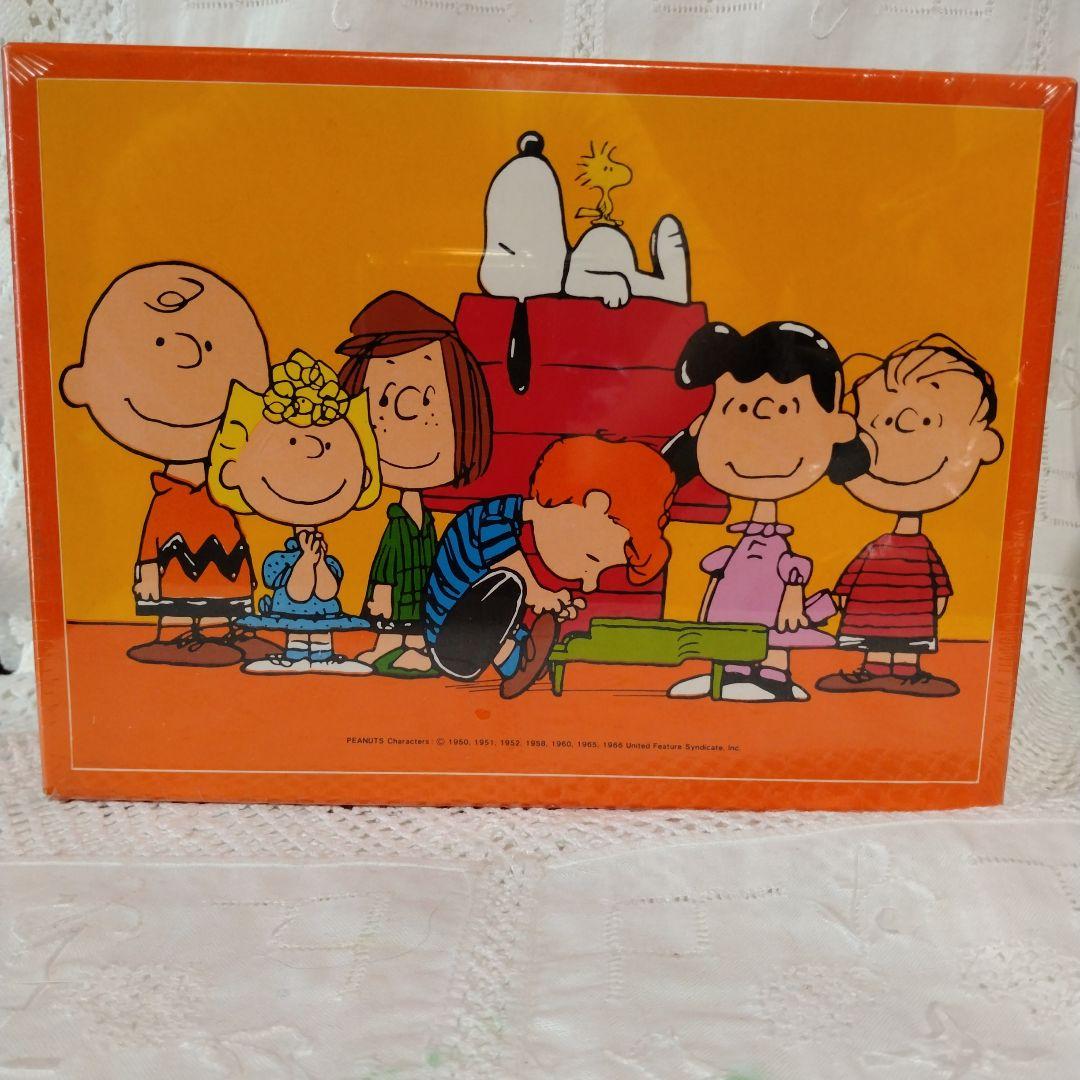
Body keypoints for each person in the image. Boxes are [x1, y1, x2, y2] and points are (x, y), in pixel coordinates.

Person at [60, 261, 275, 666]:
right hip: (175, 561)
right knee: (180, 584)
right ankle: (176, 635)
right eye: (159, 342)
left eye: (208, 346)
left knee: (223, 577)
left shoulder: (224, 484)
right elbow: (152, 538)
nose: (187, 356)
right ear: (81, 385)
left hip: (223, 551)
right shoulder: (169, 498)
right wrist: (146, 571)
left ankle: (221, 631)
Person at [668, 320, 870, 702]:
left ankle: (775, 679)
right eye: (738, 408)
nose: (759, 426)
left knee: (773, 628)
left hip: (773, 594)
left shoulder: (781, 552)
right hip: (734, 593)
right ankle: (726, 674)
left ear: (836, 428)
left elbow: (791, 571)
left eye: (785, 408)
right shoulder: (740, 544)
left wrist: (793, 593)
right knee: (733, 620)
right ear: (701, 425)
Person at [816, 334, 1003, 697]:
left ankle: (906, 670)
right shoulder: (878, 546)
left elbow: (938, 580)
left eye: (924, 422)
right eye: (877, 422)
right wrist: (842, 592)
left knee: (906, 641)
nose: (894, 438)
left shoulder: (921, 550)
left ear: (983, 445)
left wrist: (939, 599)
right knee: (875, 637)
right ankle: (873, 668)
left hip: (912, 611)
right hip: (874, 609)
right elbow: (856, 571)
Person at [425, 435, 677, 698]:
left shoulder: (508, 518)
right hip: (448, 642)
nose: (589, 585)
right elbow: (507, 561)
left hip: (469, 638)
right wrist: (539, 594)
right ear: (595, 504)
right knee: (509, 584)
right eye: (592, 559)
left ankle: (522, 661)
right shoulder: (491, 518)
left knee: (512, 604)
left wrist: (552, 606)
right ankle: (518, 662)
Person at [336, 291, 492, 676]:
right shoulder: (399, 521)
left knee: (414, 611)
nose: (407, 414)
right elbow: (387, 561)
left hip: (419, 594)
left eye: (428, 401)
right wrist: (382, 594)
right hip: (397, 593)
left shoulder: (424, 520)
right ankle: (388, 644)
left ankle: (414, 644)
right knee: (397, 617)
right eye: (383, 401)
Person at [208, 350, 382, 675]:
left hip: (325, 618)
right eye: (291, 441)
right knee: (299, 641)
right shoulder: (278, 562)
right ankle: (296, 655)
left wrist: (318, 560)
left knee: (322, 639)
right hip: (291, 616)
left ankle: (324, 656)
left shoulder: (328, 561)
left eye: (328, 446)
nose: (313, 451)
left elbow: (327, 591)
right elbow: (297, 594)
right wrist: (306, 559)